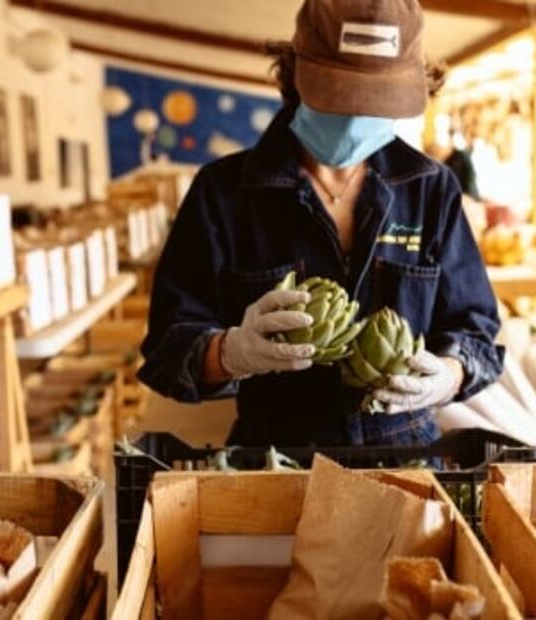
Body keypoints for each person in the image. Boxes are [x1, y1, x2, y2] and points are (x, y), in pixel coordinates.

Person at [138, 0, 504, 447]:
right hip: (272, 454)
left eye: (375, 99)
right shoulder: (223, 192)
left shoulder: (431, 190)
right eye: (339, 93)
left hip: (405, 451)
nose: (355, 113)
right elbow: (165, 352)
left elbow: (477, 332)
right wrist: (231, 352)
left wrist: (447, 376)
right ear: (296, 73)